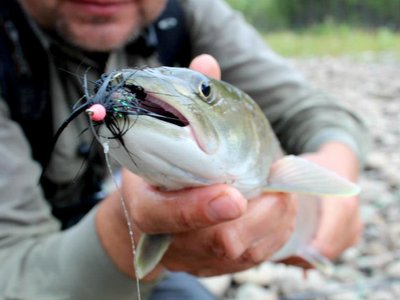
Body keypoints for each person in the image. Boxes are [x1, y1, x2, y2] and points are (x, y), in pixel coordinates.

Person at [0, 0, 367, 299]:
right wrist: (122, 230)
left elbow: (312, 111)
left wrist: (334, 178)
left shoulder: (188, 12)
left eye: (203, 92)